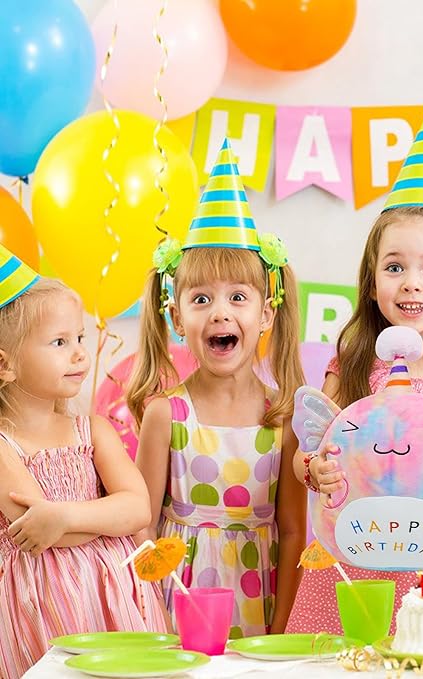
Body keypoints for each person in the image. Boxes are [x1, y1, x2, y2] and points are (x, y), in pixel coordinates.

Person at [286, 107, 423, 634]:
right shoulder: (353, 363)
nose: (412, 282)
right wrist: (314, 470)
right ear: (372, 282)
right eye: (395, 267)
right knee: (349, 660)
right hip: (354, 561)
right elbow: (307, 452)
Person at [127, 138, 307, 638]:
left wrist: (280, 630)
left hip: (259, 607)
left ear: (266, 314)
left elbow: (294, 531)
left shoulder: (283, 419)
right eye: (201, 298)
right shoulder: (166, 415)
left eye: (238, 297)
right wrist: (153, 618)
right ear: (176, 317)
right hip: (175, 611)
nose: (220, 312)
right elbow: (141, 527)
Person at [0, 246, 167, 679]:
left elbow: (139, 508)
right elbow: (42, 533)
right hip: (44, 609)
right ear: (5, 364)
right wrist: (107, 519)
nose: (79, 353)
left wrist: (65, 516)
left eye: (79, 338)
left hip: (114, 598)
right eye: (60, 342)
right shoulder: (3, 447)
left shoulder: (94, 430)